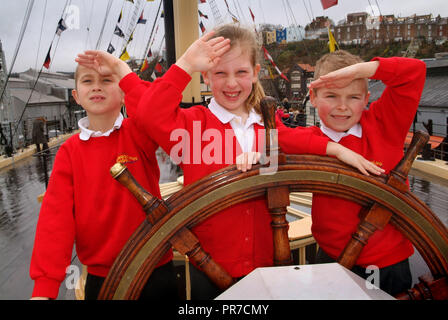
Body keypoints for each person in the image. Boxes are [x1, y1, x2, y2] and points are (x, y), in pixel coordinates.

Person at [77, 24, 382, 299]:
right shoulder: (189, 127)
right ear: (205, 75)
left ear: (256, 72)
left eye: (241, 73)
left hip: (270, 263)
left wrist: (335, 149)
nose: (231, 83)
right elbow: (147, 113)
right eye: (220, 73)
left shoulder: (270, 125)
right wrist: (182, 64)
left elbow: (299, 143)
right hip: (208, 270)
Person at [29, 58, 178, 300]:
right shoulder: (69, 153)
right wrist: (44, 288)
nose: (97, 86)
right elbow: (55, 221)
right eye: (88, 81)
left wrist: (126, 75)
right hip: (103, 279)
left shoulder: (140, 133)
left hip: (156, 270)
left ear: (123, 93)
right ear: (76, 96)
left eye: (107, 80)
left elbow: (156, 108)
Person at [302, 50, 426, 296]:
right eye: (331, 95)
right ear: (312, 97)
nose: (342, 106)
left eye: (353, 96)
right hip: (329, 257)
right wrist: (333, 149)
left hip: (387, 262)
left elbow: (415, 72)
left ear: (367, 98)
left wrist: (361, 70)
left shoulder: (385, 124)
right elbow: (273, 136)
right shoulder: (310, 140)